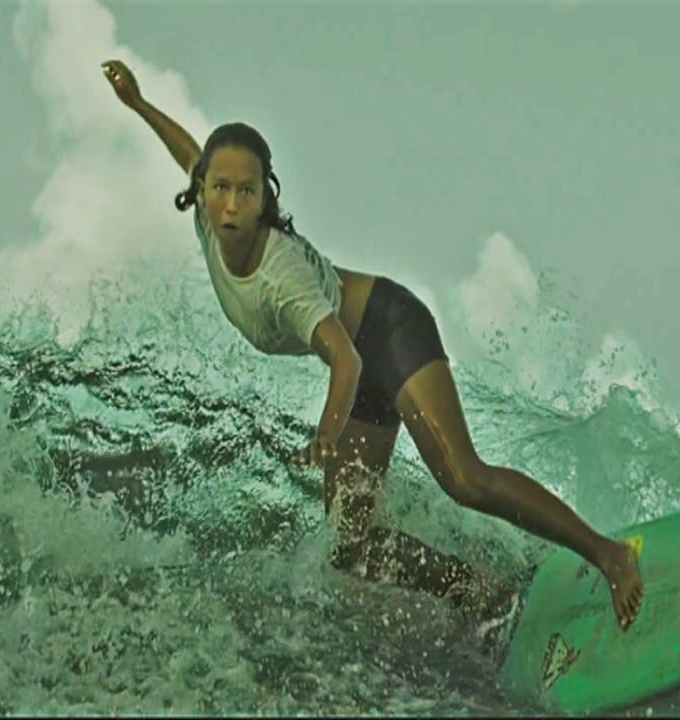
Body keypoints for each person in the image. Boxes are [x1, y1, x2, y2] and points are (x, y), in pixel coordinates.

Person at [102, 60, 643, 637]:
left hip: (389, 328)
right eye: (220, 188)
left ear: (264, 199)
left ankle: (610, 555)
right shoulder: (209, 216)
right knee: (349, 546)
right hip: (360, 364)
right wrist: (138, 102)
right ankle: (488, 597)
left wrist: (327, 435)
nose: (231, 204)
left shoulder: (281, 278)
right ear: (204, 189)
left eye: (246, 191)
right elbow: (189, 150)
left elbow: (347, 358)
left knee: (463, 477)